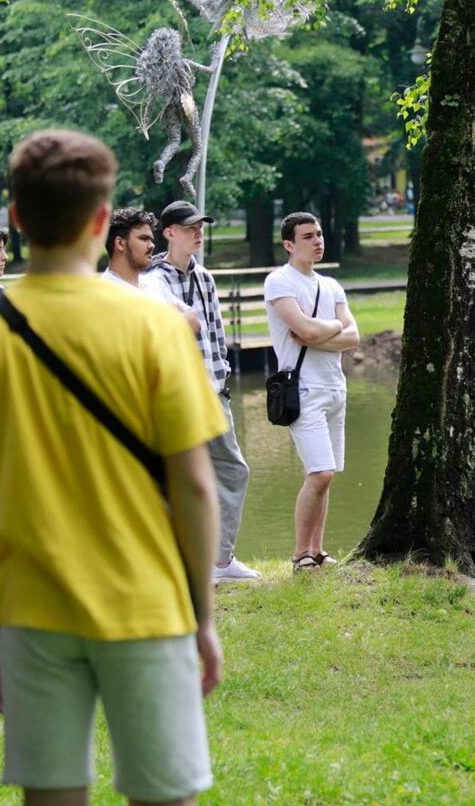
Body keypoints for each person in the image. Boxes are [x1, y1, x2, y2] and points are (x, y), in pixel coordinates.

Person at [0, 130, 226, 804]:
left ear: (17, 218)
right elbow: (196, 485)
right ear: (103, 222)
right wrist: (202, 617)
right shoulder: (155, 326)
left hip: (30, 610)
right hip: (148, 602)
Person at [144, 200, 259, 582]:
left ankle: (220, 561)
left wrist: (223, 378)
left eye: (201, 226)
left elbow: (216, 334)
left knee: (231, 470)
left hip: (213, 393)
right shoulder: (152, 279)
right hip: (175, 397)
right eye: (190, 227)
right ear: (169, 232)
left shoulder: (204, 277)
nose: (198, 233)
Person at [263, 212, 360, 572]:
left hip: (336, 387)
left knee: (327, 473)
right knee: (319, 473)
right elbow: (302, 328)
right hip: (302, 389)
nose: (317, 241)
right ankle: (301, 553)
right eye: (308, 236)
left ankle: (318, 550)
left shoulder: (332, 285)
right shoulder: (279, 282)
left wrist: (325, 331)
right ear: (289, 244)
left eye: (319, 234)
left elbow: (353, 337)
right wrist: (332, 330)